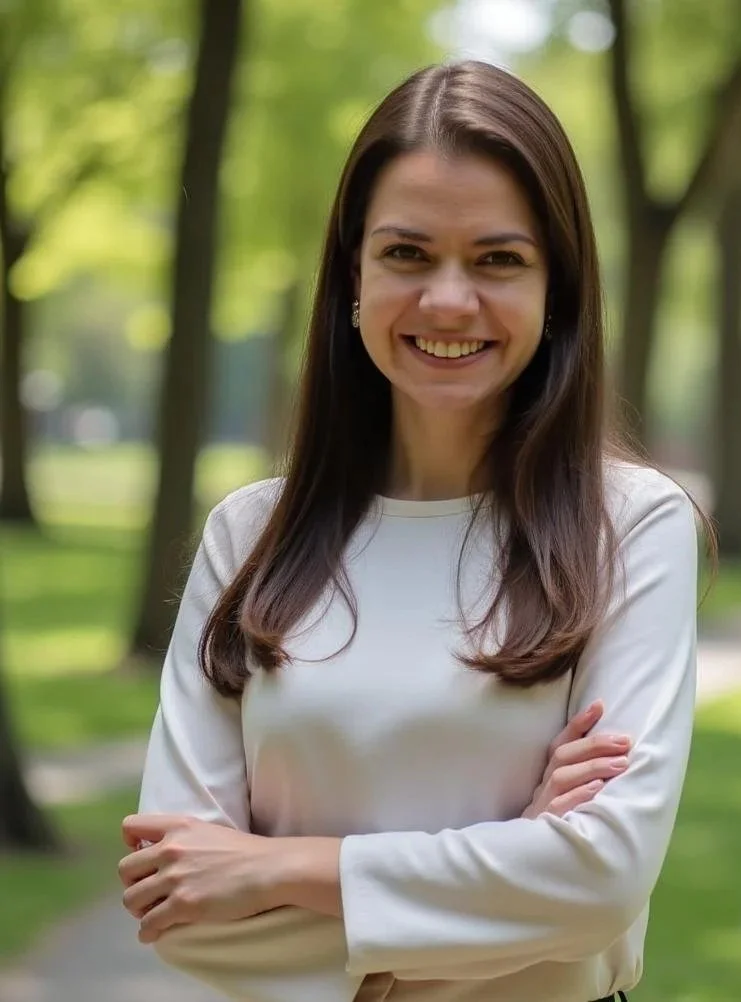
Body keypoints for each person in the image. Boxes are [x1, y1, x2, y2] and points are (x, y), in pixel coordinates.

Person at [118, 59, 705, 1002]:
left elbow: (599, 880)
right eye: (406, 253)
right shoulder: (248, 538)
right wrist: (513, 875)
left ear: (557, 288)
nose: (447, 301)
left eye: (498, 260)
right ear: (352, 273)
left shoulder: (630, 529)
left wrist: (276, 871)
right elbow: (176, 902)